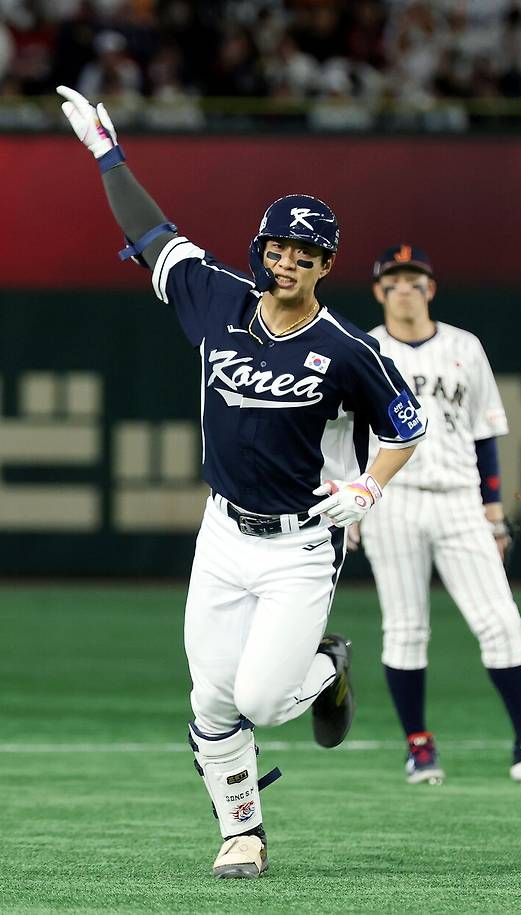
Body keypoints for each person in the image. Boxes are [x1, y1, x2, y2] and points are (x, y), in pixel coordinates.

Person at [56, 87, 427, 879]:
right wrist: (105, 152)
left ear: (327, 266)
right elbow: (150, 233)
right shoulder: (216, 298)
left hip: (299, 542)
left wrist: (368, 487)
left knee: (260, 699)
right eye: (277, 246)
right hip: (223, 533)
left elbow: (407, 426)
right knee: (210, 701)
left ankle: (325, 664)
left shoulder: (347, 347)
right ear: (261, 249)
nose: (287, 260)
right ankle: (243, 834)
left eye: (305, 253)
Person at [350, 244, 521, 785]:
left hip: (459, 497)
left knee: (501, 621)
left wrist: (494, 511)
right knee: (406, 628)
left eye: (415, 279)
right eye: (395, 280)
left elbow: (485, 433)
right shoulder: (362, 349)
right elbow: (345, 433)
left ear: (431, 288)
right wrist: (354, 503)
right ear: (379, 291)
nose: (405, 288)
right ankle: (418, 747)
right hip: (394, 499)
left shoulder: (464, 346)